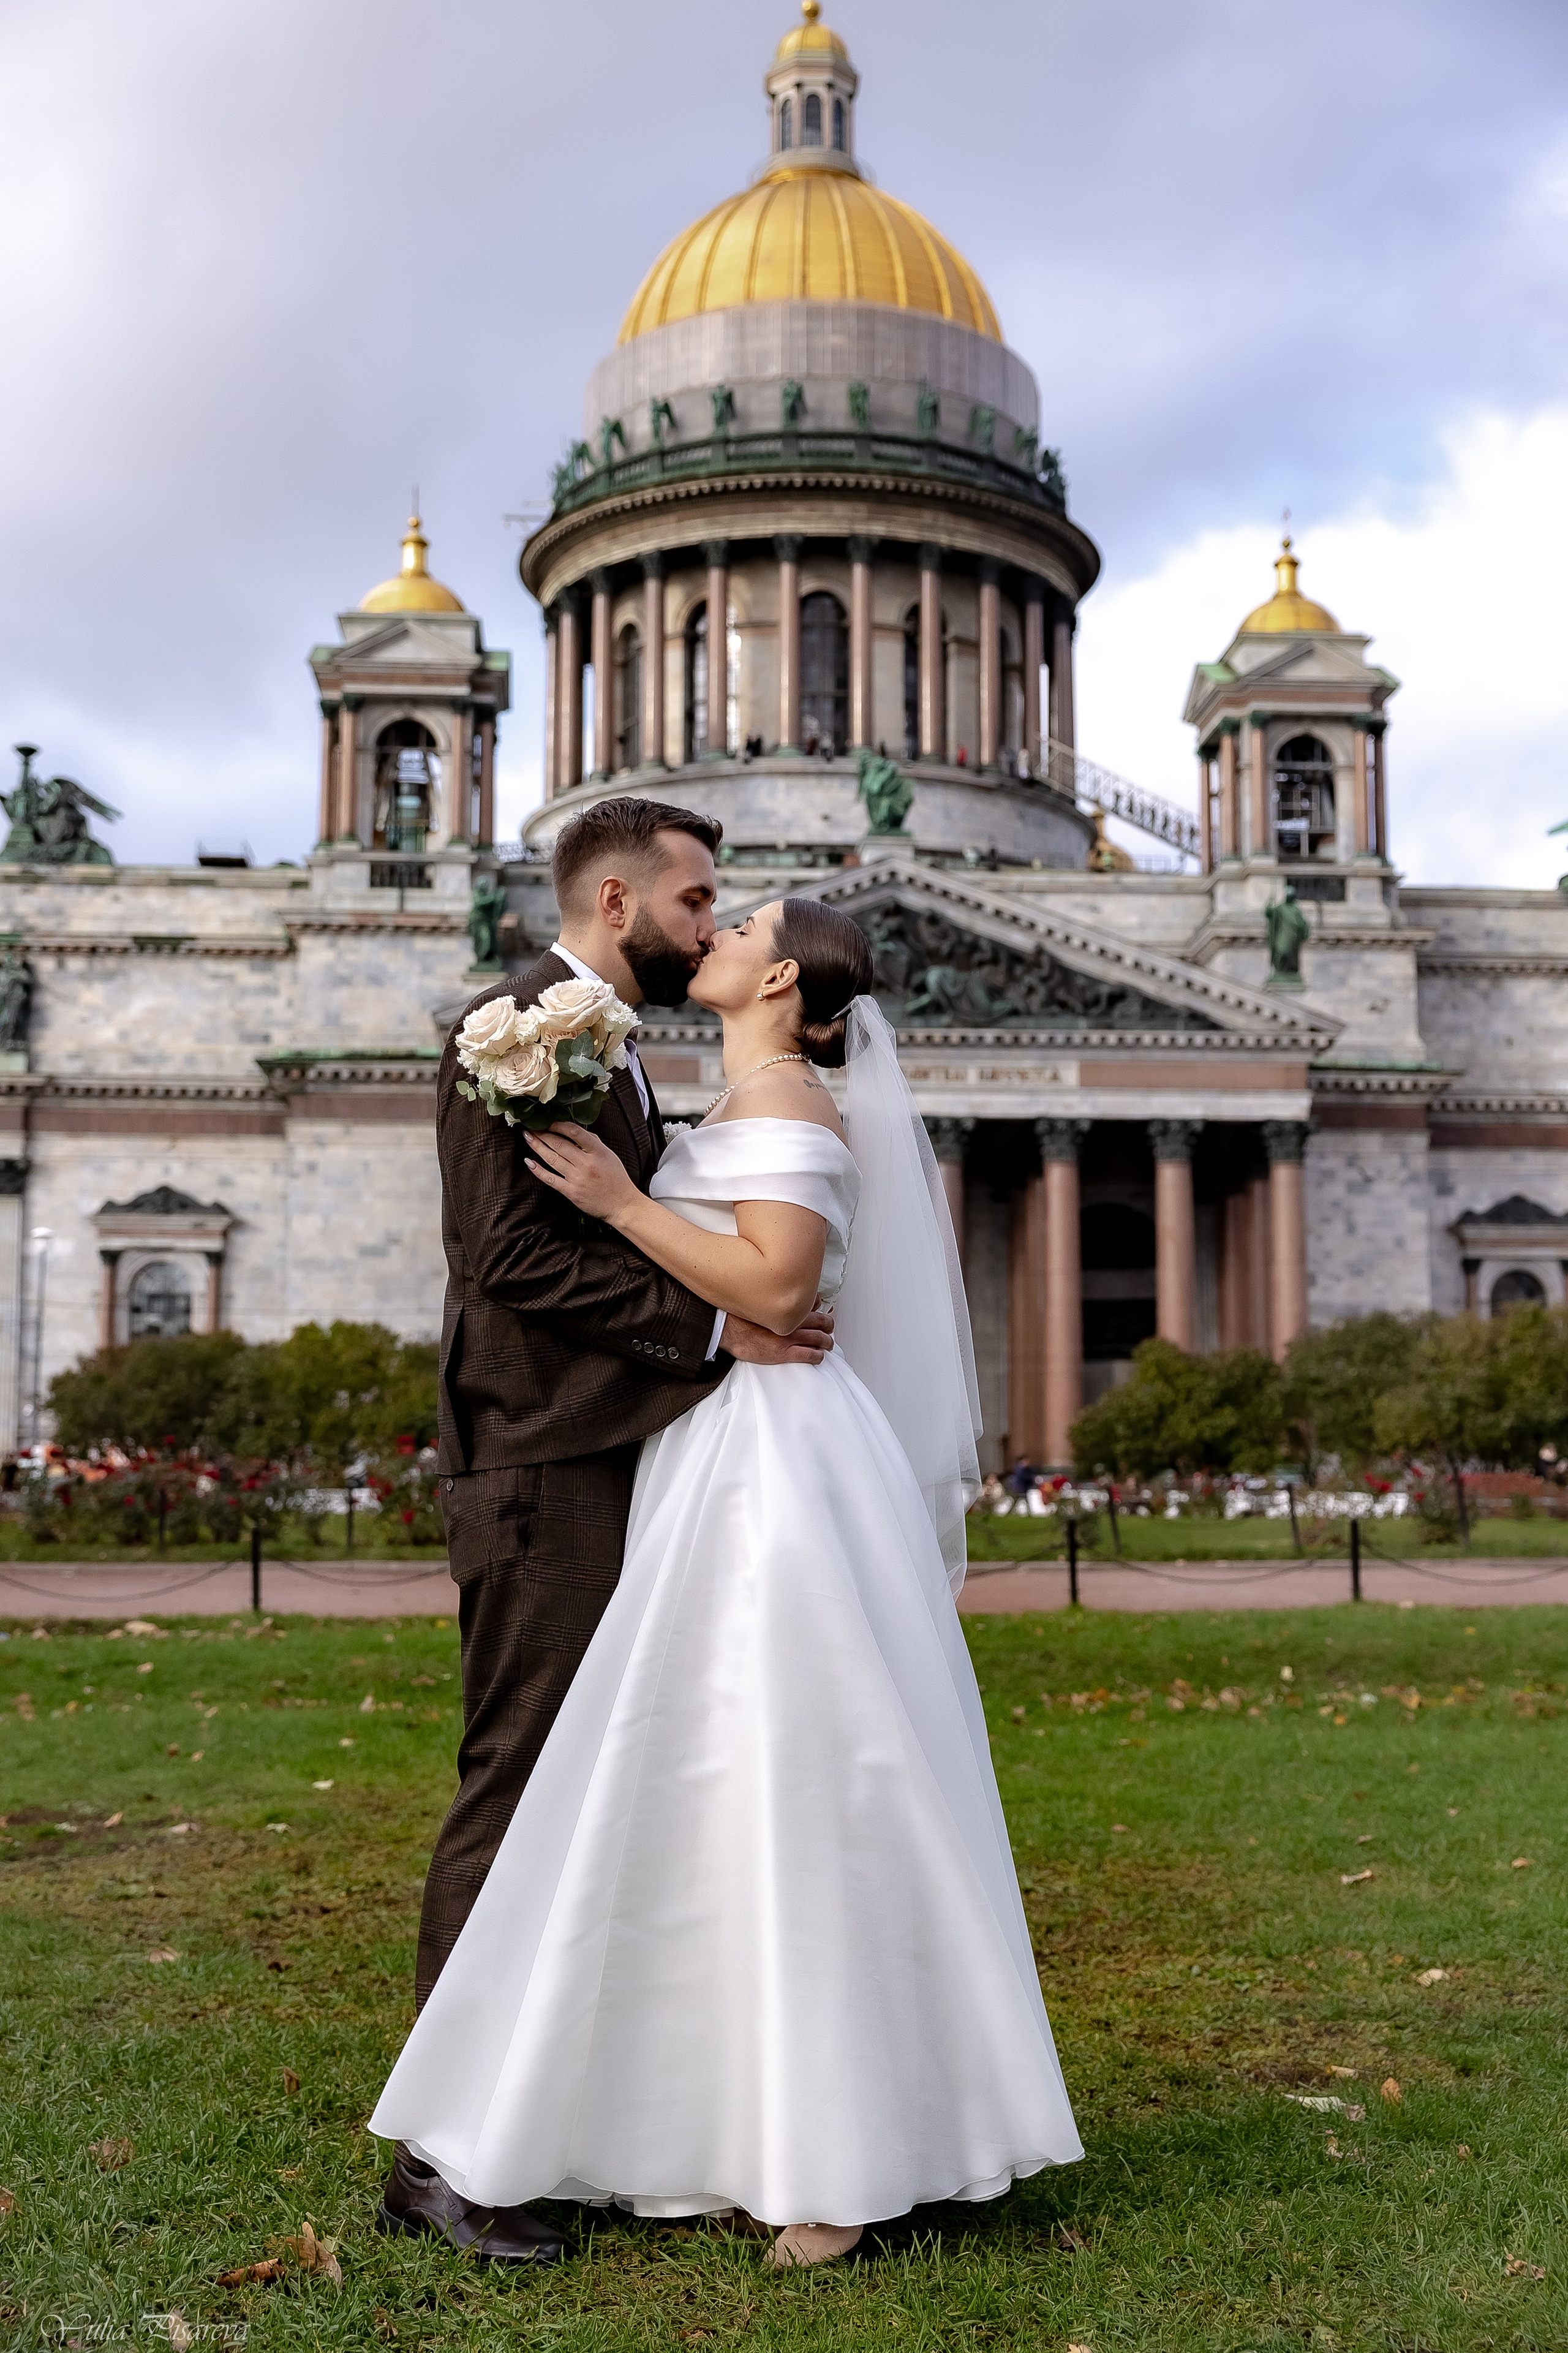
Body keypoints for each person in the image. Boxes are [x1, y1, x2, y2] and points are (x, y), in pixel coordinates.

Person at [371, 894, 1082, 2266]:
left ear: (784, 980)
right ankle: (701, 2122)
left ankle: (833, 2162)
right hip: (715, 1453)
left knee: (795, 1784)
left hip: (772, 1472)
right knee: (696, 1785)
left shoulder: (794, 1105)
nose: (714, 930)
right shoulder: (730, 1086)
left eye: (737, 920)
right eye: (713, 903)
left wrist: (629, 1200)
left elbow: (772, 1290)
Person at [377, 799, 835, 2267]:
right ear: (618, 896)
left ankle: (538, 2122)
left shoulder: (615, 1049)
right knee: (515, 1792)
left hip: (607, 1460)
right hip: (539, 1466)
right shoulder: (509, 1022)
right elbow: (503, 1254)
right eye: (699, 901)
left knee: (578, 1801)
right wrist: (712, 1327)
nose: (714, 925)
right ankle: (443, 2158)